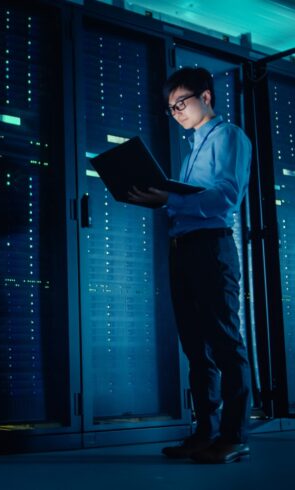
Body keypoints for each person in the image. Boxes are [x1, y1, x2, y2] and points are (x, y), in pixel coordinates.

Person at [128, 67, 253, 464]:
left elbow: (225, 198)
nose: (177, 111)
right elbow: (186, 201)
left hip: (211, 249)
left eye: (181, 102)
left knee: (224, 342)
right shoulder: (191, 150)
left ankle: (233, 436)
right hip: (183, 248)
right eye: (170, 107)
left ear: (207, 97)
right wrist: (157, 196)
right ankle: (205, 433)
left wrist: (169, 200)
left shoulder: (228, 136)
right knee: (196, 349)